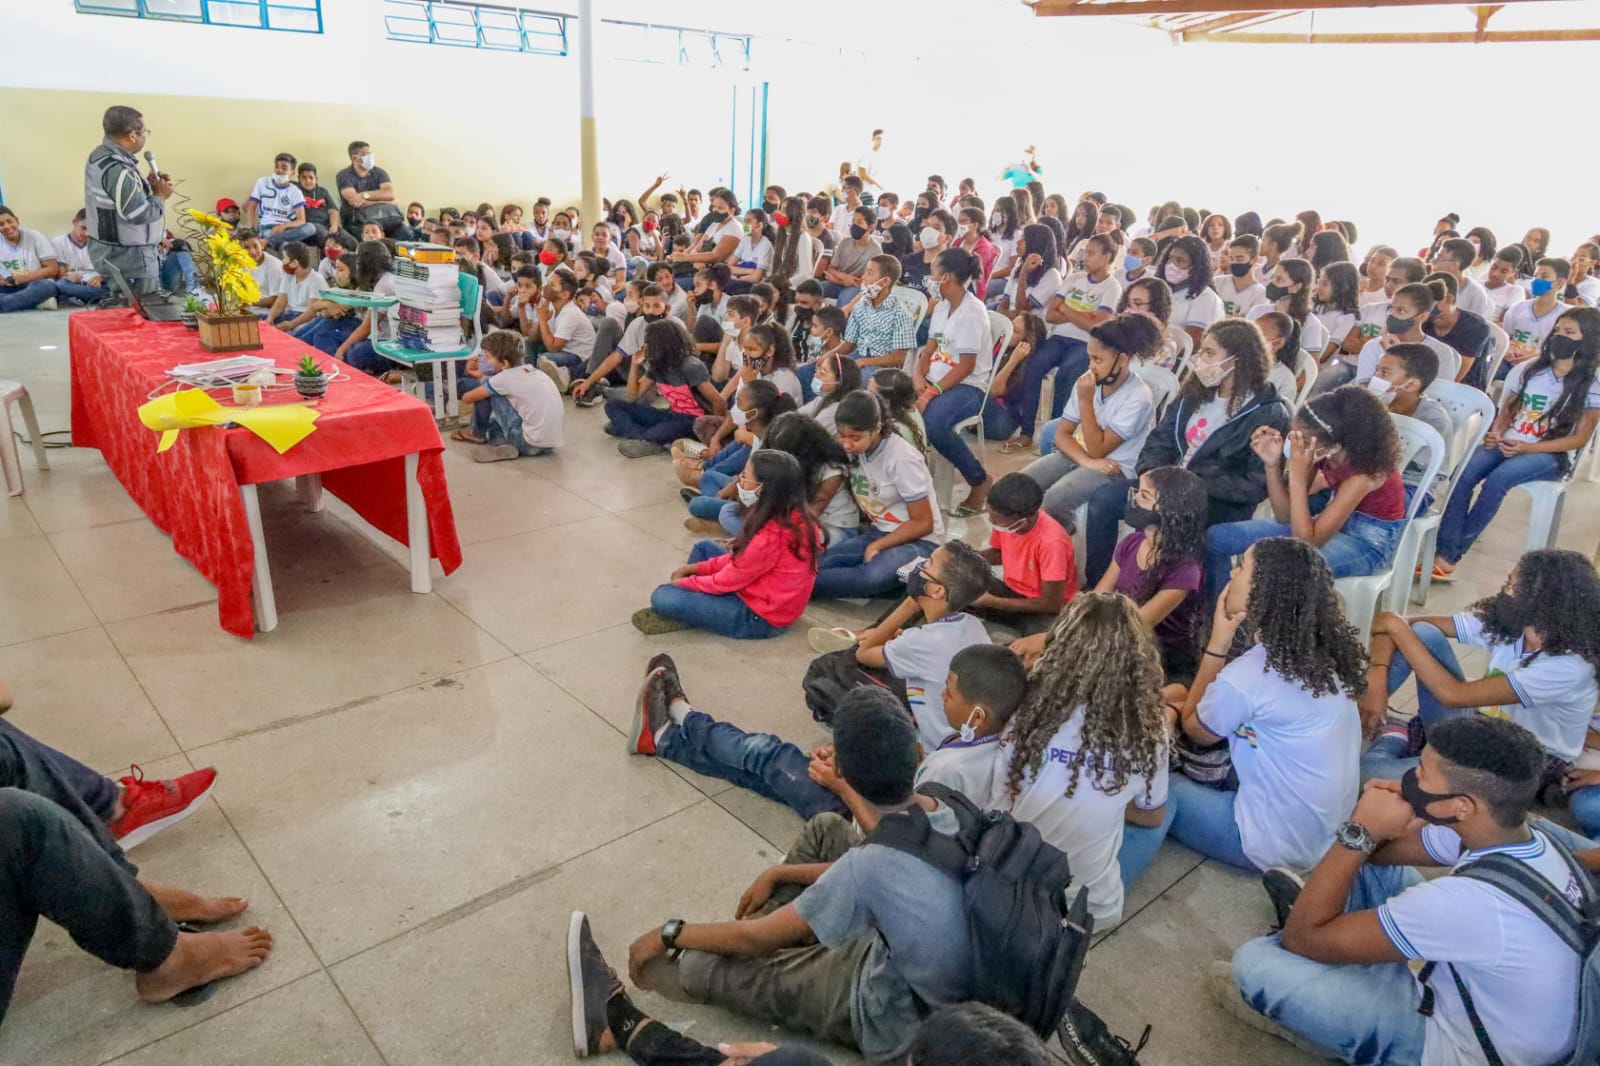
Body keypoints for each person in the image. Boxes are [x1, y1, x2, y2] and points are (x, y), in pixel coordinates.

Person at [620, 685, 974, 1063]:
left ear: (839, 772)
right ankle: (787, 946)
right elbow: (888, 862)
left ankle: (753, 967)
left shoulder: (868, 864)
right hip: (934, 971)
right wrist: (779, 872)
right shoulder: (946, 806)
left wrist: (669, 932)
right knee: (826, 827)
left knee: (697, 963)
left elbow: (754, 938)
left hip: (890, 1017)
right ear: (918, 754)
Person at [1219, 715, 1593, 1066]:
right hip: (1478, 988)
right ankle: (1341, 937)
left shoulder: (1466, 905)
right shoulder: (1522, 837)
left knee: (1255, 965)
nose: (1411, 777)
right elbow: (1378, 856)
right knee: (1362, 868)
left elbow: (1302, 938)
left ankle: (1324, 1007)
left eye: (1422, 774)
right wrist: (1405, 810)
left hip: (1464, 1045)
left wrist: (1360, 828)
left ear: (1463, 806)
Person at [1124, 538, 1364, 889]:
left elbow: (1196, 730)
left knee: (1155, 793)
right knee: (1182, 700)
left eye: (1243, 567)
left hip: (1268, 843)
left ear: (1263, 591)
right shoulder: (1324, 650)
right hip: (1322, 832)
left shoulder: (1252, 675)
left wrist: (1219, 642)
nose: (1233, 572)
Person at [992, 593, 1169, 927]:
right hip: (1087, 914)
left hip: (1006, 886)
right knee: (1167, 807)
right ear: (1139, 658)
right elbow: (1151, 816)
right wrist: (1106, 795)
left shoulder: (1028, 704)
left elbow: (1001, 791)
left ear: (1060, 644)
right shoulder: (1149, 727)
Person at [1363, 550, 1600, 789]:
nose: (1505, 590)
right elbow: (1385, 622)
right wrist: (1377, 679)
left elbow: (1453, 695)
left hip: (1523, 762)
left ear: (1544, 603)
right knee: (1423, 632)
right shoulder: (1511, 625)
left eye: (1514, 587)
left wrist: (1397, 627)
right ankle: (1361, 716)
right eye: (1509, 581)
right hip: (1482, 732)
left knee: (1368, 773)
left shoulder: (1569, 666)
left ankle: (1394, 736)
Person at [1084, 318, 1287, 582]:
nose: (1201, 359)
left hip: (1216, 500)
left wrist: (1191, 488)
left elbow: (1254, 484)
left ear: (1238, 360)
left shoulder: (1268, 412)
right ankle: (1097, 584)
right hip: (1167, 485)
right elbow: (1160, 440)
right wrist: (1151, 475)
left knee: (1164, 522)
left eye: (1210, 353)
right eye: (1202, 351)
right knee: (1104, 500)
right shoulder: (1194, 393)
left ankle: (1164, 601)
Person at [1433, 308, 1600, 578]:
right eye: (1558, 331)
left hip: (1548, 453)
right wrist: (1497, 432)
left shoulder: (1592, 383)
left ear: (1588, 339)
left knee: (1498, 481)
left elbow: (1578, 438)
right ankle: (1445, 549)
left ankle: (1448, 557)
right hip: (1511, 441)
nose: (1560, 337)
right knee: (1463, 473)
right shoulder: (1530, 370)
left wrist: (1529, 448)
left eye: (1570, 333)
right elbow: (1508, 411)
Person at [1204, 385, 1406, 597]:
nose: (1294, 444)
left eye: (1302, 440)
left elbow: (1308, 543)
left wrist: (1298, 475)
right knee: (1217, 538)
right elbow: (1284, 516)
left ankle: (1246, 625)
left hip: (1366, 543)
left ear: (1334, 446)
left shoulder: (1364, 474)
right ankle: (1217, 616)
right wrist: (1271, 465)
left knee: (1277, 568)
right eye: (1293, 435)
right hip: (1330, 526)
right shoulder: (1323, 453)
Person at [810, 542, 993, 751]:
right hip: (959, 731)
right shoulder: (973, 625)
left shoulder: (921, 641)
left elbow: (864, 653)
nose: (920, 565)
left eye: (928, 563)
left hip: (929, 744)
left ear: (936, 590)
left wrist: (910, 604)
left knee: (825, 669)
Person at [635, 450, 822, 638]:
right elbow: (740, 561)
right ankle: (697, 607)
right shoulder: (793, 515)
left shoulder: (771, 536)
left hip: (759, 618)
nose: (740, 481)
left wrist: (686, 583)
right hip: (763, 594)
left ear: (763, 488)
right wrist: (696, 568)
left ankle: (692, 611)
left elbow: (726, 580)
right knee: (703, 548)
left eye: (745, 477)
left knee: (662, 595)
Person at [1021, 314, 1160, 536]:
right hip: (1083, 456)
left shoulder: (1138, 397)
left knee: (1054, 500)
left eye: (1098, 360)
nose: (1091, 367)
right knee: (1020, 486)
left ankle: (1061, 539)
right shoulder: (1089, 381)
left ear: (1122, 360)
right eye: (1089, 358)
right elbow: (1061, 435)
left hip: (1116, 468)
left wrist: (1086, 400)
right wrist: (1086, 461)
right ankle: (1020, 546)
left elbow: (1099, 450)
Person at [811, 392, 943, 600]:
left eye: (855, 438)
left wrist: (878, 546)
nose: (846, 444)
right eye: (841, 435)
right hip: (879, 530)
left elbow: (924, 523)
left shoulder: (900, 458)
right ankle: (794, 584)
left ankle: (793, 587)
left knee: (871, 577)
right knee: (821, 562)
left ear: (877, 429)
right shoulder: (854, 451)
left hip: (919, 540)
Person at [1091, 466, 1209, 681]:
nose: (1134, 500)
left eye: (1143, 496)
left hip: (1161, 655)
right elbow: (1099, 597)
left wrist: (1085, 643)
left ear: (1169, 510)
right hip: (1118, 636)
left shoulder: (1185, 569)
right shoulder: (1132, 543)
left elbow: (1138, 626)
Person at [1005, 234, 1122, 449]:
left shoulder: (1111, 287)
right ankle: (1027, 432)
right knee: (1032, 366)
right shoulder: (1074, 279)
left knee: (1067, 375)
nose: (1085, 258)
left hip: (1085, 344)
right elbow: (1051, 315)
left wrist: (1067, 309)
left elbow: (1098, 326)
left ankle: (1056, 437)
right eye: (1085, 252)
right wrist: (1084, 316)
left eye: (1091, 253)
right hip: (1059, 337)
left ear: (1106, 257)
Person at [915, 248, 1007, 515]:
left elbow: (966, 366)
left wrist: (931, 393)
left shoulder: (971, 312)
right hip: (935, 378)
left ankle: (979, 480)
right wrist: (918, 374)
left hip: (968, 386)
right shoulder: (943, 306)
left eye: (933, 272)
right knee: (888, 401)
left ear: (946, 277)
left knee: (934, 423)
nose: (929, 278)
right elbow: (930, 348)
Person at [605, 317, 727, 457]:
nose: (646, 347)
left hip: (693, 421)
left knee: (657, 430)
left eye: (649, 343)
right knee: (612, 405)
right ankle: (645, 438)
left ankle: (643, 436)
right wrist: (634, 365)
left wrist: (716, 434)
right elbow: (633, 396)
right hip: (671, 415)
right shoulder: (657, 365)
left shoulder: (691, 366)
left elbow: (719, 402)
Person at [81, 105, 169, 294]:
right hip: (130, 257)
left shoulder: (99, 156)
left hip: (107, 248)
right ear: (132, 136)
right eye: (145, 132)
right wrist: (160, 196)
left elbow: (116, 198)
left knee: (121, 312)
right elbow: (137, 213)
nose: (146, 136)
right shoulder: (119, 168)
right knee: (142, 313)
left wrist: (147, 187)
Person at [972, 473, 1074, 636]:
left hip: (1041, 609)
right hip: (1011, 591)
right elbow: (999, 553)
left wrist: (994, 602)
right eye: (990, 514)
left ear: (1022, 520)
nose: (991, 521)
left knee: (1045, 640)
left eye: (996, 518)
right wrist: (967, 557)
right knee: (956, 579)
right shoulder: (1007, 523)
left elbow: (1051, 604)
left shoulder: (1052, 542)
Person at [456, 328, 563, 462]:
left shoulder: (503, 379)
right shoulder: (534, 372)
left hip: (527, 443)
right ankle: (500, 442)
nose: (484, 360)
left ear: (504, 363)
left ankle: (477, 433)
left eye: (488, 357)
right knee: (493, 390)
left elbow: (468, 398)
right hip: (549, 445)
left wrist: (478, 378)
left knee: (487, 388)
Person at [1350, 281, 1458, 386]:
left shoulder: (1441, 352)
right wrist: (1387, 355)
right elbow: (1365, 391)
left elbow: (1440, 396)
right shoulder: (1374, 346)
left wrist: (1398, 358)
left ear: (1422, 316)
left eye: (1401, 311)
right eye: (1391, 310)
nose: (1392, 316)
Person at [1420, 271, 1492, 386]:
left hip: (1462, 390)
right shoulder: (1423, 320)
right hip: (1423, 382)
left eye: (1430, 299)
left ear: (1449, 299)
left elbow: (1455, 377)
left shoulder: (1475, 328)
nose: (1423, 304)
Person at [532, 268, 598, 393]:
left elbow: (554, 347)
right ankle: (532, 376)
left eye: (552, 285)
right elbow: (532, 337)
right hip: (564, 351)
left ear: (564, 294)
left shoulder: (570, 313)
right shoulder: (550, 305)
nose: (547, 287)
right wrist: (540, 320)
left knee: (544, 357)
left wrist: (542, 320)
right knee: (529, 344)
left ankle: (547, 380)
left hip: (579, 358)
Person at [1501, 257, 1572, 373]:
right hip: (1509, 362)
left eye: (1544, 277)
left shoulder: (1566, 316)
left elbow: (1565, 351)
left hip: (1543, 367)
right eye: (1535, 275)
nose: (1536, 280)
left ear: (1559, 282)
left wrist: (1540, 357)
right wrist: (1508, 347)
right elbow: (1505, 337)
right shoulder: (1517, 308)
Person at [1156, 235, 1226, 345]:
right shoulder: (1164, 290)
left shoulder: (1205, 297)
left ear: (1195, 267)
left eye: (1180, 261)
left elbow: (1193, 341)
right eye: (1170, 258)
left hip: (1185, 359)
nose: (1171, 265)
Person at [336, 140, 408, 240]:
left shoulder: (379, 172)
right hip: (357, 220)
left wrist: (364, 195)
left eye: (370, 154)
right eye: (366, 155)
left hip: (385, 217)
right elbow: (355, 202)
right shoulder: (344, 175)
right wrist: (387, 202)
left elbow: (390, 194)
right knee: (368, 236)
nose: (370, 157)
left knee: (406, 234)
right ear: (354, 158)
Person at [244, 153, 312, 250]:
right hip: (267, 228)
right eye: (276, 167)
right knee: (287, 247)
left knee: (310, 228)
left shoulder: (295, 191)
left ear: (292, 173)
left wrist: (283, 227)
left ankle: (268, 241)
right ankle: (273, 241)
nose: (279, 170)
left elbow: (301, 220)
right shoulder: (263, 182)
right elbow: (251, 207)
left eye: (284, 168)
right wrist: (251, 231)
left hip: (287, 230)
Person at [0, 206, 62, 313]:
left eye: (10, 221)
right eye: (1, 225)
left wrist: (25, 278)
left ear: (17, 220)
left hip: (34, 284)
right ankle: (37, 303)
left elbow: (53, 268)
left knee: (48, 286)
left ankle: (5, 304)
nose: (7, 226)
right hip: (8, 287)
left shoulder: (35, 236)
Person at [49, 209, 110, 306]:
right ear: (74, 222)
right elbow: (61, 275)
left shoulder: (100, 242)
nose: (86, 234)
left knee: (117, 283)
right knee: (60, 285)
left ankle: (84, 298)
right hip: (74, 283)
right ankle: (100, 298)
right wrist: (70, 276)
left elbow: (108, 270)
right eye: (83, 228)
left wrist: (100, 277)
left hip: (96, 283)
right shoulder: (58, 243)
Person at [264, 241, 326, 329]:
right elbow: (280, 302)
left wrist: (291, 324)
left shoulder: (317, 280)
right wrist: (270, 318)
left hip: (305, 319)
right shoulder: (288, 276)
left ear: (295, 263)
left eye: (285, 258)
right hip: (288, 314)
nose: (283, 261)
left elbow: (310, 313)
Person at [1215, 235, 1267, 318]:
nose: (1234, 262)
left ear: (1254, 260)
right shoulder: (1217, 282)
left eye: (1239, 259)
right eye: (1231, 259)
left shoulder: (1260, 294)